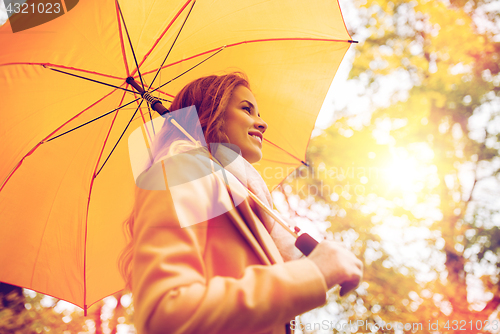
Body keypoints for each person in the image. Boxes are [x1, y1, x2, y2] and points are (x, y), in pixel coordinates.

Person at [120, 72, 363, 334]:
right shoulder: (179, 171)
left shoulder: (252, 204)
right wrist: (315, 272)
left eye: (258, 113)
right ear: (211, 113)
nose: (262, 123)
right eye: (247, 109)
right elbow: (165, 313)